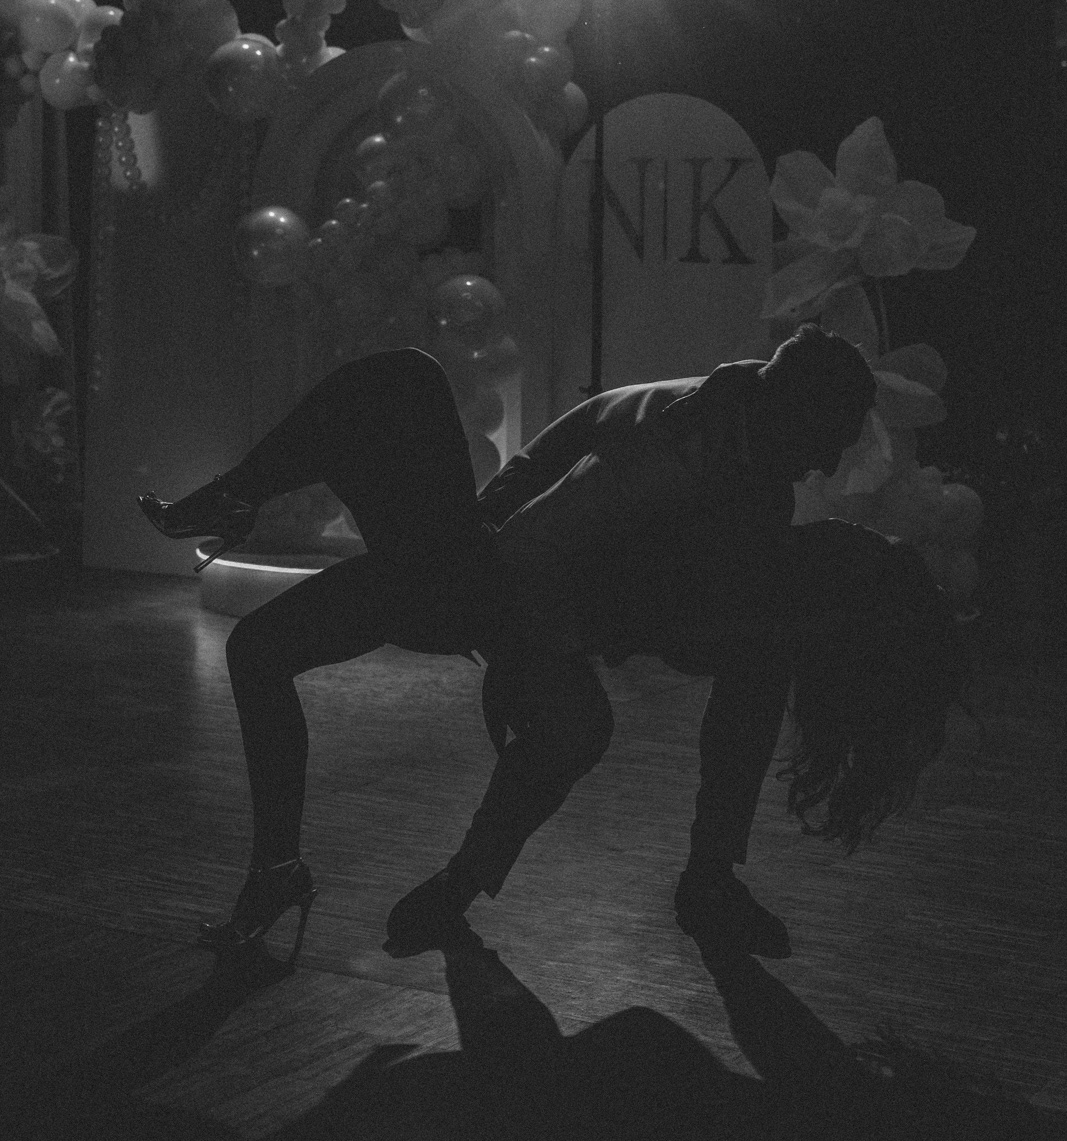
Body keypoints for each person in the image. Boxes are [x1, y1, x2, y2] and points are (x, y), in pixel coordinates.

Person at [139, 328, 954, 965]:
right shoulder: (681, 459)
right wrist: (526, 661)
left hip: (488, 577)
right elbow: (528, 552)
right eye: (824, 441)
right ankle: (287, 872)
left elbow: (577, 528)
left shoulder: (743, 456)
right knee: (401, 386)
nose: (824, 469)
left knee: (271, 642)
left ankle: (294, 874)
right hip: (478, 579)